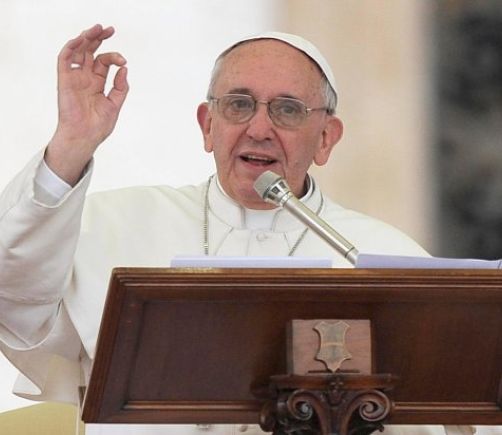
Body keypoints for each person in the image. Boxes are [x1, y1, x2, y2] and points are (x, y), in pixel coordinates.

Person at [0, 25, 488, 435]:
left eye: (288, 109)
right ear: (207, 125)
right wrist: (72, 144)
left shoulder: (382, 254)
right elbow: (16, 305)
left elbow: (463, 410)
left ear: (326, 138)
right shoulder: (116, 224)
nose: (258, 128)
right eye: (238, 104)